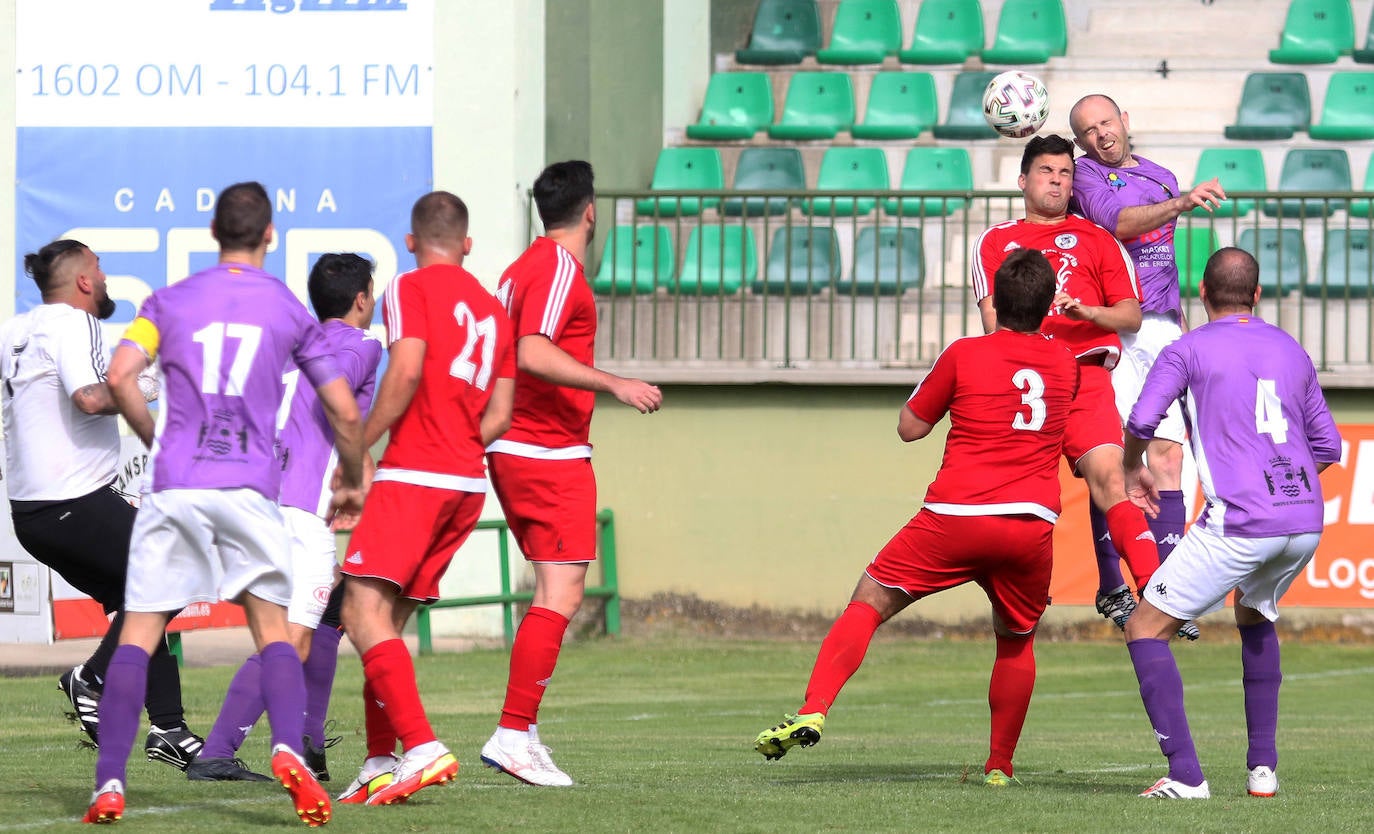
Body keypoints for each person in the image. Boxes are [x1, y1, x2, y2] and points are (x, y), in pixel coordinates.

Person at [84, 182, 366, 826]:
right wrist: (351, 479)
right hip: (247, 490)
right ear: (270, 236)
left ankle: (109, 785)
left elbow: (122, 376)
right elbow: (344, 412)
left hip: (176, 485)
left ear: (213, 234)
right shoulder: (290, 311)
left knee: (140, 632)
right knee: (273, 630)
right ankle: (290, 751)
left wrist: (155, 436)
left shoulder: (170, 300)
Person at [753, 248, 1079, 786]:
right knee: (1016, 639)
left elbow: (910, 428)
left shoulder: (964, 353)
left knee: (870, 599)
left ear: (994, 301)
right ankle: (999, 766)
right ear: (1048, 308)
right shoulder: (1065, 364)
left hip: (955, 515)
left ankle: (814, 707)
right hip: (1029, 524)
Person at [1122, 247, 1340, 799]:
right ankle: (1262, 770)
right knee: (1254, 612)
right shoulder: (1291, 349)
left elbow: (1144, 418)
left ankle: (1185, 775)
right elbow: (1329, 446)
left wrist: (1131, 467)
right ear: (1258, 295)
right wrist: (1281, 485)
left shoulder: (1186, 346)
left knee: (1144, 626)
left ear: (1202, 293)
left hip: (1241, 522)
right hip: (1303, 521)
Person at [481, 160, 662, 787]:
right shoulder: (557, 269)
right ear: (590, 211)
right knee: (561, 592)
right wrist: (614, 381)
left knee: (549, 592)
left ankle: (522, 733)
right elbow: (532, 348)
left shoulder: (520, 268)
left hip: (522, 447)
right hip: (545, 451)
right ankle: (512, 731)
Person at [335, 191, 516, 807]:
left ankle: (421, 746)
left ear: (411, 243)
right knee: (383, 626)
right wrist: (459, 442)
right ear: (467, 245)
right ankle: (380, 762)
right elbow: (501, 411)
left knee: (360, 614)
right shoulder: (495, 311)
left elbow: (406, 370)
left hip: (416, 475)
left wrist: (360, 444)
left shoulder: (408, 288)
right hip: (466, 483)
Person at [0, 239, 203, 771]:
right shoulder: (74, 322)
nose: (107, 277)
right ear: (84, 282)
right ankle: (91, 677)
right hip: (72, 501)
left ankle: (170, 729)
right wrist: (147, 384)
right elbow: (91, 397)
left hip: (32, 514)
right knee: (173, 571)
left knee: (139, 601)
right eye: (100, 267)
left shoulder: (15, 330)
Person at [189, 253, 383, 783]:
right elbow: (337, 400)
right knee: (291, 639)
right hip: (299, 513)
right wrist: (353, 475)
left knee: (327, 615)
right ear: (362, 297)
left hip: (260, 502)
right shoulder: (360, 344)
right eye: (373, 290)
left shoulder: (285, 349)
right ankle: (217, 752)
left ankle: (306, 741)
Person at [971, 134, 1163, 614]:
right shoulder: (995, 241)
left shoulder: (1098, 239)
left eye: (1064, 174)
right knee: (1012, 504)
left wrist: (1085, 314)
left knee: (1112, 481)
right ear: (1022, 180)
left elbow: (1131, 316)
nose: (1056, 181)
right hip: (1022, 386)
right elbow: (994, 325)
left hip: (1085, 380)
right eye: (1046, 172)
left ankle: (1158, 591)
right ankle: (1016, 602)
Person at [1069, 94, 1227, 634]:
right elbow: (1122, 224)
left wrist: (1179, 323)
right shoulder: (1085, 177)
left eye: (1106, 123)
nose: (1101, 136)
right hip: (1111, 326)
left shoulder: (1160, 175)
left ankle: (1166, 593)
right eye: (1088, 130)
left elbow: (1163, 258)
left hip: (1160, 328)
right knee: (1112, 459)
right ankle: (1113, 584)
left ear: (1125, 122)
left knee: (1167, 459)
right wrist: (1182, 203)